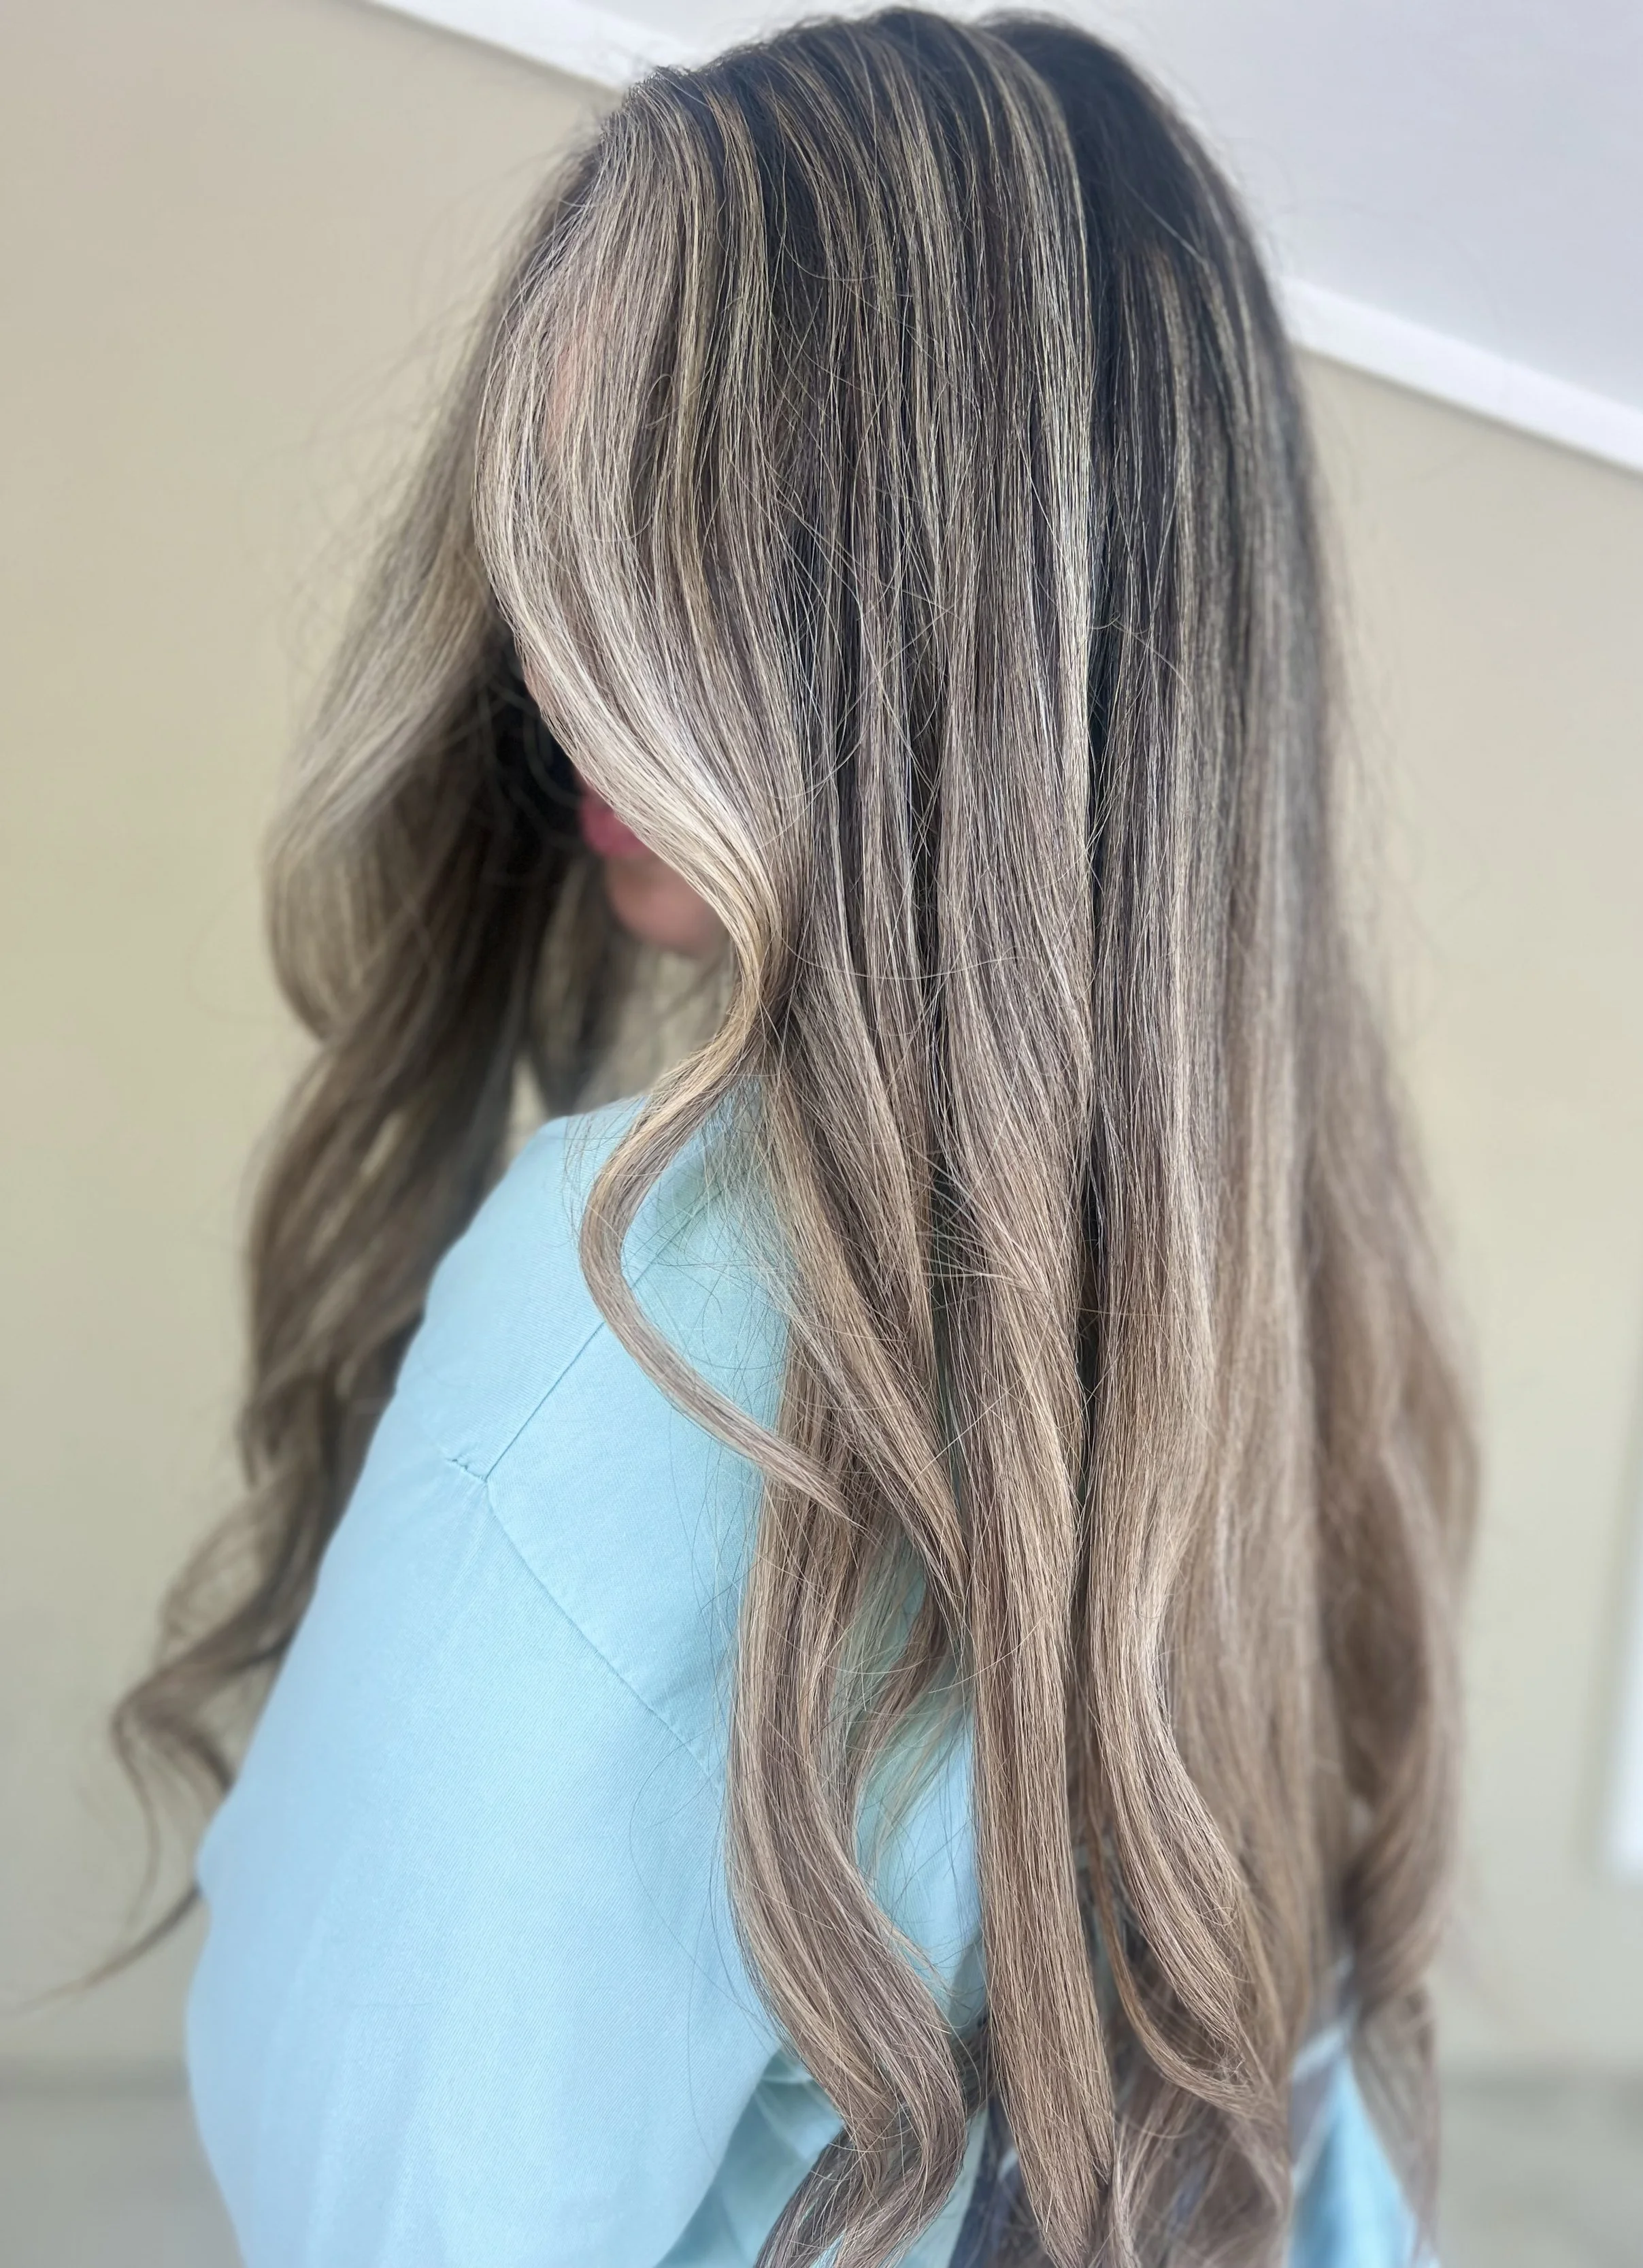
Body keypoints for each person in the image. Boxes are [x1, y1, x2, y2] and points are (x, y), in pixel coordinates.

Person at [110, 11, 1474, 2264]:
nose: (558, 654)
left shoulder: (625, 1330)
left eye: (685, 540)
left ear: (994, 633)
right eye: (558, 533)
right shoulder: (1284, 1325)